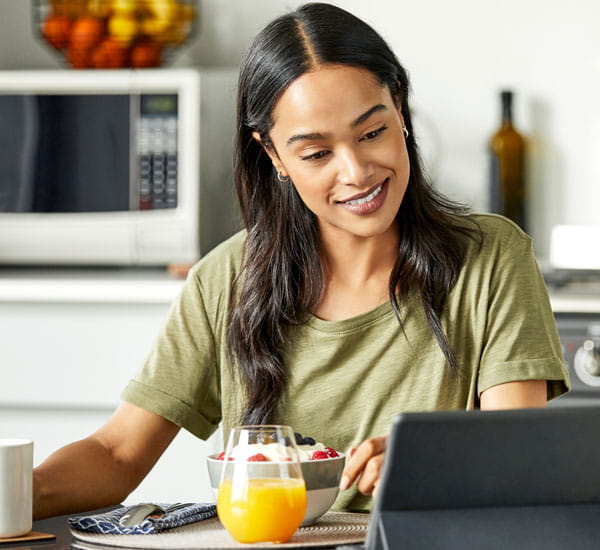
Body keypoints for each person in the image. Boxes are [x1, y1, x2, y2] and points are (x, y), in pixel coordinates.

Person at [32, 2, 569, 519]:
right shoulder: (225, 278)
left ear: (400, 109)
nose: (356, 171)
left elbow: (513, 453)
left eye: (373, 132)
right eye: (316, 153)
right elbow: (118, 454)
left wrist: (432, 462)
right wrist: (18, 491)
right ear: (273, 155)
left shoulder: (491, 257)